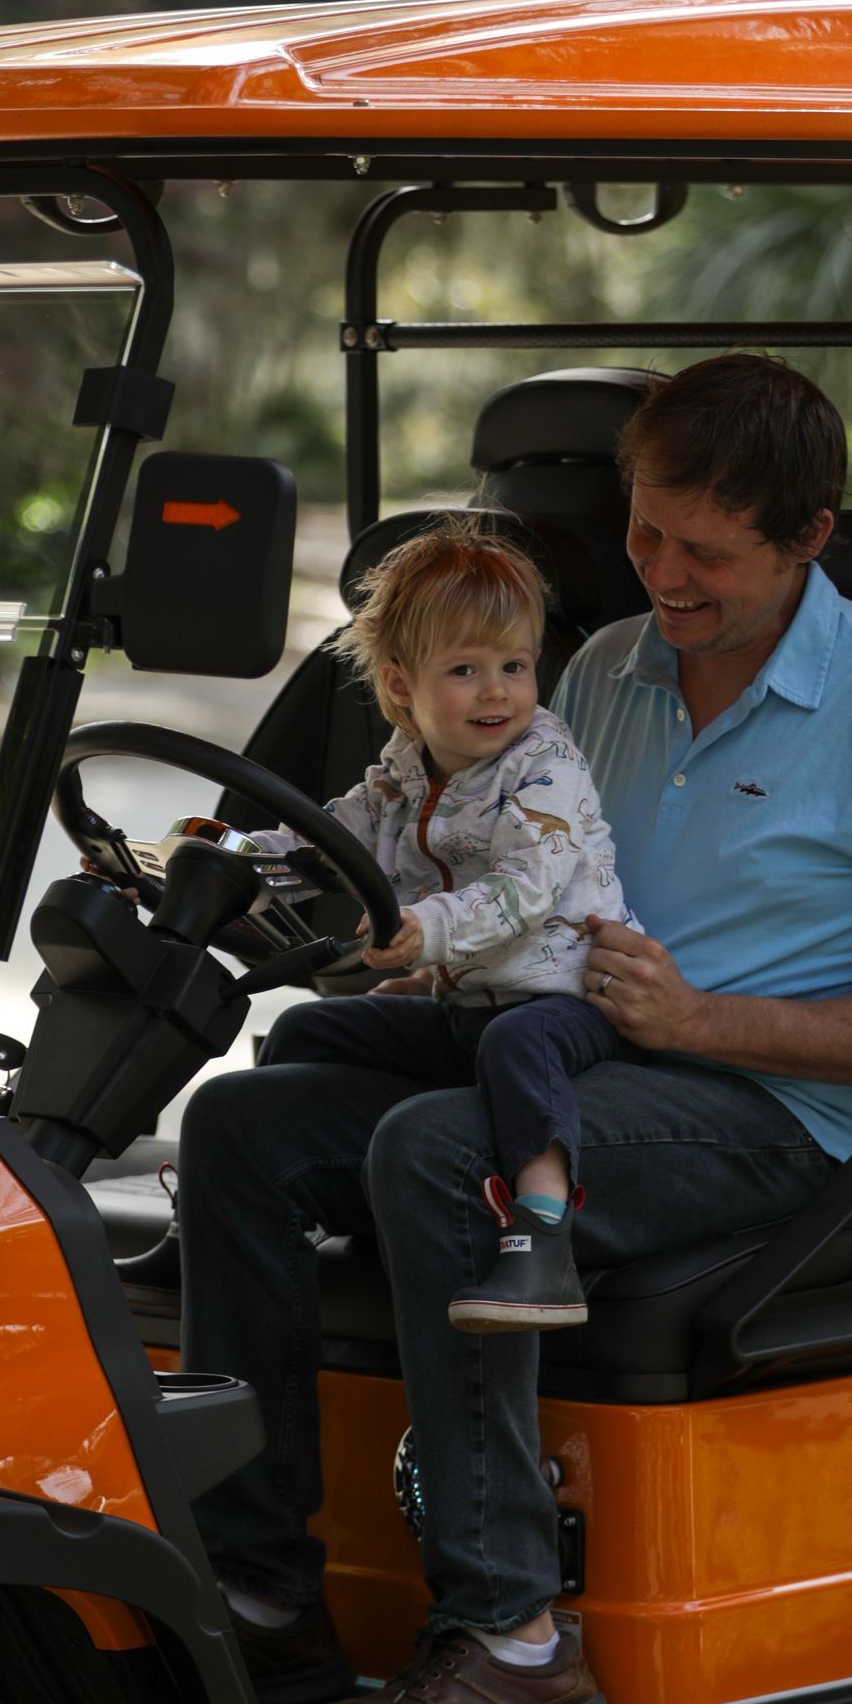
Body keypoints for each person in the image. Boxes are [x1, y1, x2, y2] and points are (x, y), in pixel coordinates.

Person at [179, 353, 852, 1704]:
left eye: (705, 551)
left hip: (774, 1109)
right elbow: (503, 867)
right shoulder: (609, 668)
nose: (662, 574)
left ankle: (512, 1636)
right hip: (570, 1053)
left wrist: (701, 1021)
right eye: (645, 534)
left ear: (811, 538)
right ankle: (260, 1583)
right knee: (245, 1127)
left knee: (436, 1154)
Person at [243, 513, 637, 1331]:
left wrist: (425, 929)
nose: (497, 690)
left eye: (515, 666)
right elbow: (328, 838)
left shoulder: (544, 767)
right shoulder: (404, 769)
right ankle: (265, 1218)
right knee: (313, 1032)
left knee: (515, 1045)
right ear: (399, 688)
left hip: (570, 1001)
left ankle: (543, 1234)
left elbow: (527, 890)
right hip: (469, 1003)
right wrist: (232, 857)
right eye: (465, 668)